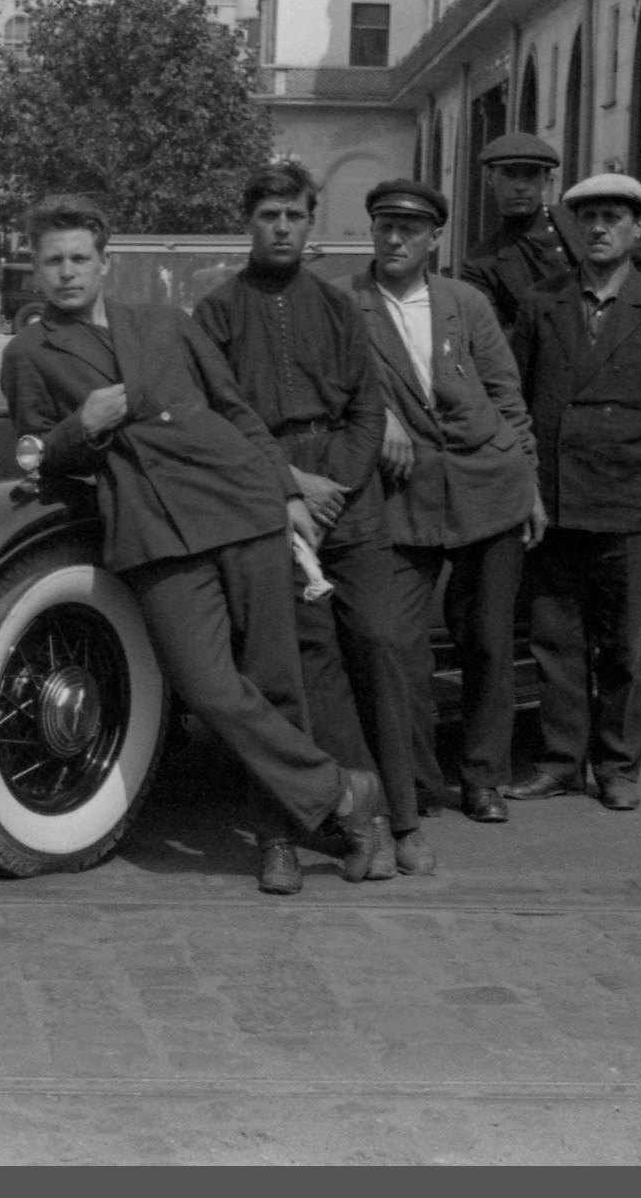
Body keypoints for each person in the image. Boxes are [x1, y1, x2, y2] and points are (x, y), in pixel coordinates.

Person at [1, 194, 390, 895]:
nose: (66, 272)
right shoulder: (30, 351)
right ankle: (344, 793)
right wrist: (80, 426)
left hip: (240, 505)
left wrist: (288, 494)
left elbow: (237, 411)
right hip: (153, 532)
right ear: (34, 270)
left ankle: (279, 839)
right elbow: (34, 455)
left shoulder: (163, 322)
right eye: (51, 260)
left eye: (79, 258)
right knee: (211, 687)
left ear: (103, 262)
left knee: (274, 679)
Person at [193, 162, 428, 882]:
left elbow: (366, 408)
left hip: (347, 499)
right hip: (267, 498)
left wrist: (335, 489)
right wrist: (287, 486)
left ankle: (404, 817)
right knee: (295, 668)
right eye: (269, 215)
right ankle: (306, 828)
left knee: (382, 643)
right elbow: (213, 420)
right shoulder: (218, 311)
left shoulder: (335, 307)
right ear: (249, 222)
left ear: (311, 222)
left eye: (295, 215)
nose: (283, 228)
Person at [507, 174, 641, 811]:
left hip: (628, 500)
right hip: (556, 502)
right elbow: (515, 396)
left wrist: (640, 474)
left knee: (621, 644)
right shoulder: (542, 303)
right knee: (556, 641)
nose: (598, 228)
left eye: (613, 217)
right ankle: (562, 762)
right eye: (587, 216)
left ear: (637, 229)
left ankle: (618, 767)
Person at [351, 180, 542, 825]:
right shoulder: (345, 305)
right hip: (403, 500)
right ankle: (419, 780)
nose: (395, 238)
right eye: (385, 226)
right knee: (396, 644)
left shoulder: (466, 303)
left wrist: (531, 482)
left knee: (488, 639)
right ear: (372, 232)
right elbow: (335, 390)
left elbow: (507, 396)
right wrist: (380, 420)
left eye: (410, 228)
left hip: (490, 485)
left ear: (434, 239)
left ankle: (485, 778)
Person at [459, 132, 641, 363]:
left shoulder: (583, 223)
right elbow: (495, 341)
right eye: (510, 174)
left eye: (531, 175)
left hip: (630, 366)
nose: (521, 185)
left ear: (546, 180)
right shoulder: (481, 264)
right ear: (490, 179)